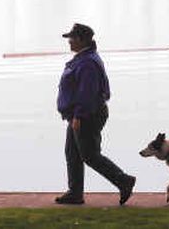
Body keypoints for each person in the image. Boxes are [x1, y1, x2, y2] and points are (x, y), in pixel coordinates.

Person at [56, 23, 136, 205]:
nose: (69, 42)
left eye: (72, 38)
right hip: (79, 114)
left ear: (82, 40)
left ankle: (124, 181)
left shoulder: (88, 62)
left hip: (87, 115)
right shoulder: (83, 58)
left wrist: (78, 116)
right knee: (73, 153)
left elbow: (87, 92)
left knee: (89, 155)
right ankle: (75, 193)